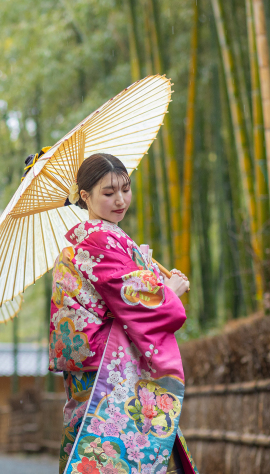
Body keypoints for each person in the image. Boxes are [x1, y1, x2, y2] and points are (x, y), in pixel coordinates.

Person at [49, 153, 198, 474]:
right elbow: (130, 297)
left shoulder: (89, 240)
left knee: (94, 453)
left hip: (91, 367)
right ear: (85, 196)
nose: (120, 200)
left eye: (125, 189)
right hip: (110, 368)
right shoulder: (101, 240)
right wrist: (168, 291)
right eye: (108, 192)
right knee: (126, 456)